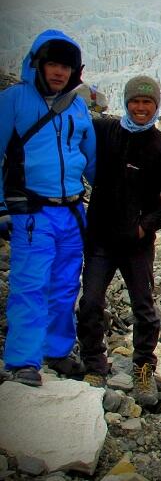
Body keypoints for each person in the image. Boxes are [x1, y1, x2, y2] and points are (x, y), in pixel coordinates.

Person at [76, 75, 161, 406]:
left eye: (147, 102)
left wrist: (145, 227)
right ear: (126, 103)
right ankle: (95, 364)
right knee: (91, 302)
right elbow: (74, 126)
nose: (140, 107)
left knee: (144, 307)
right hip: (100, 239)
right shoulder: (105, 131)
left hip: (136, 244)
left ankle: (143, 369)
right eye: (135, 102)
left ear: (156, 106)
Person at [0, 29, 96, 386]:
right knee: (30, 283)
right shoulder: (13, 100)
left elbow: (90, 160)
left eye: (66, 67)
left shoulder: (77, 105)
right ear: (38, 65)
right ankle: (23, 360)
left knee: (65, 284)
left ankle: (56, 351)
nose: (59, 73)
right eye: (53, 64)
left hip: (72, 211)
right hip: (32, 211)